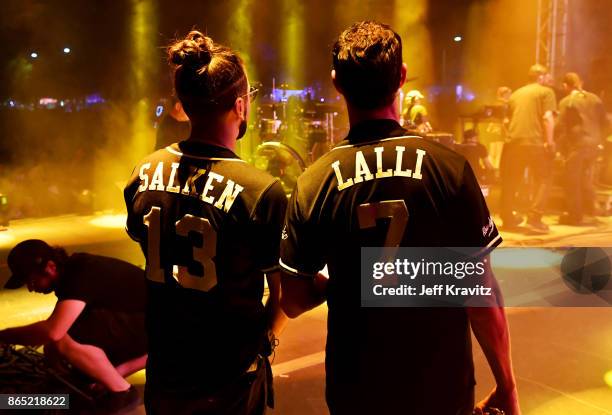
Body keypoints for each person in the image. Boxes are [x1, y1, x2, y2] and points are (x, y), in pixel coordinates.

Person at [279, 21, 519, 415]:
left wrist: (348, 282)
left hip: (357, 390)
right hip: (441, 388)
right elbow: (481, 297)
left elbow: (292, 299)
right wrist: (507, 386)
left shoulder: (315, 181)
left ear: (337, 84)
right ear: (403, 77)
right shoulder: (450, 169)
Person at [124, 31, 287, 415]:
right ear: (241, 106)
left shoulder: (143, 172)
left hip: (166, 372)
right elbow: (282, 296)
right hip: (229, 379)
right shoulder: (260, 191)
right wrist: (264, 341)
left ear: (184, 105)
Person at [0, 239, 147, 413]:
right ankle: (79, 390)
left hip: (161, 331)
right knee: (56, 343)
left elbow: (53, 331)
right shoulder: (73, 271)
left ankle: (121, 393)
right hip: (149, 331)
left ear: (50, 267)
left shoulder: (82, 273)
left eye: (32, 281)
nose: (31, 289)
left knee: (61, 335)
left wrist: (4, 336)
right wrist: (118, 371)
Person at [500, 64, 557, 232]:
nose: (548, 79)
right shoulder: (546, 92)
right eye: (547, 75)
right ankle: (534, 217)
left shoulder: (516, 94)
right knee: (544, 178)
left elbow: (505, 122)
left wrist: (510, 137)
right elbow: (547, 118)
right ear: (541, 77)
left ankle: (508, 218)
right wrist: (550, 141)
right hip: (535, 143)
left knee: (511, 181)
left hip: (513, 143)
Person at [556, 72, 608, 225]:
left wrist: (557, 145)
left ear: (565, 86)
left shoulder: (566, 101)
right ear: (581, 83)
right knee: (585, 178)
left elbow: (561, 126)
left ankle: (575, 216)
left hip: (579, 145)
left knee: (571, 181)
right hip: (595, 145)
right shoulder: (595, 98)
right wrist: (601, 140)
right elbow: (605, 121)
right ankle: (593, 209)